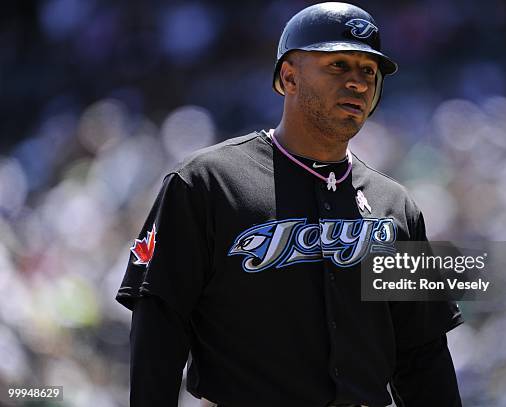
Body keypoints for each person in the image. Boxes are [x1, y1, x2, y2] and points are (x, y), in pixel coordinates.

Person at [116, 2, 463, 406]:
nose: (358, 83)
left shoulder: (397, 206)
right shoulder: (207, 183)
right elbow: (160, 325)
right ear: (289, 76)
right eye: (338, 66)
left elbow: (423, 356)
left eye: (368, 71)